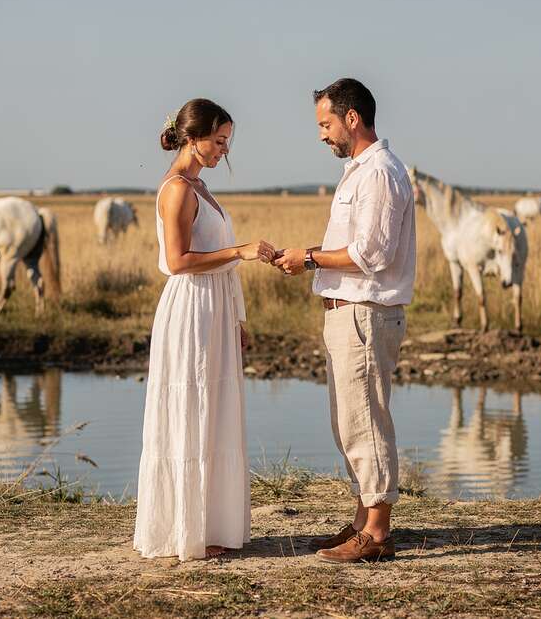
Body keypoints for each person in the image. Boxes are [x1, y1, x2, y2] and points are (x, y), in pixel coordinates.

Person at [274, 78, 416, 563]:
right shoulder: (362, 170)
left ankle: (377, 533)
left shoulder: (378, 172)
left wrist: (308, 257)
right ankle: (362, 521)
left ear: (351, 118)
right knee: (351, 423)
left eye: (325, 123)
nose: (322, 134)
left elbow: (371, 254)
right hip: (350, 313)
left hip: (364, 313)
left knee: (366, 424)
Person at [132, 98, 276, 561]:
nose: (223, 151)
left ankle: (211, 525)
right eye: (218, 141)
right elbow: (177, 262)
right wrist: (240, 250)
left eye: (227, 143)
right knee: (192, 406)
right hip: (191, 310)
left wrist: (238, 318)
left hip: (214, 309)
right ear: (192, 138)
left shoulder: (201, 186)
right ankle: (184, 531)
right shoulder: (177, 189)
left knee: (214, 410)